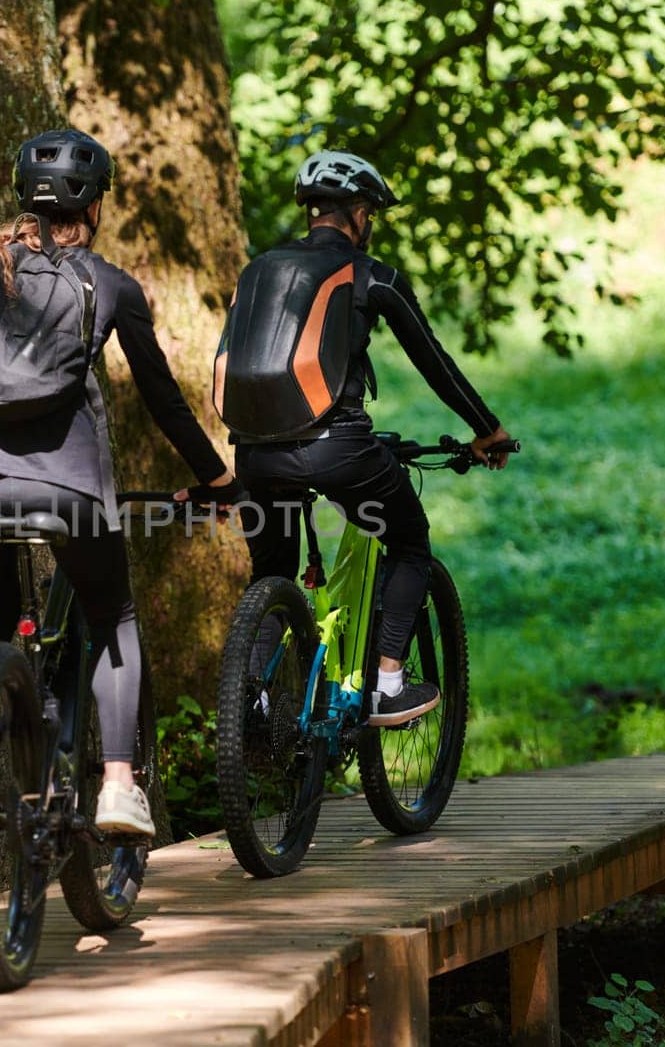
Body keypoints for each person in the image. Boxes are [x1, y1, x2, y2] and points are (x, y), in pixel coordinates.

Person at [0, 128, 242, 836]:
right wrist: (216, 477)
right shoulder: (111, 284)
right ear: (93, 207)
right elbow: (162, 399)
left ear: (24, 195)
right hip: (70, 490)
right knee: (112, 616)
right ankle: (118, 785)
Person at [217, 150, 513, 725]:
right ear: (357, 214)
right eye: (369, 213)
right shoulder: (371, 274)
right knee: (409, 540)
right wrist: (487, 430)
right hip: (338, 449)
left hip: (253, 453)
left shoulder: (258, 270)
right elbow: (434, 362)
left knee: (272, 575)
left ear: (311, 212)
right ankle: (387, 685)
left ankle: (252, 704)